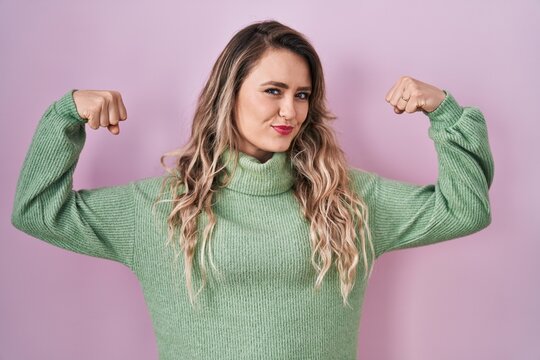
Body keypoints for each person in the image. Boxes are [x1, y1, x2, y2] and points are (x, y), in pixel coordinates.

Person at [11, 20, 494, 360]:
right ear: (230, 93)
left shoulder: (346, 200)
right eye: (273, 90)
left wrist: (446, 114)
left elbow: (464, 210)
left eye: (301, 95)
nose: (290, 111)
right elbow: (36, 210)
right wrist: (66, 116)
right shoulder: (161, 207)